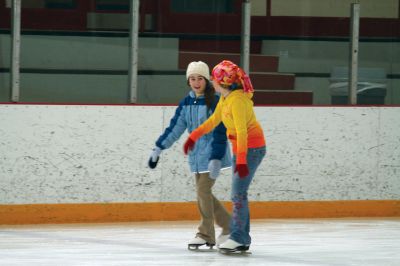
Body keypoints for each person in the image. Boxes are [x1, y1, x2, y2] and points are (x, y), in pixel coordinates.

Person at [183, 60, 266, 252]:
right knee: (239, 193)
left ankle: (238, 237)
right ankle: (241, 238)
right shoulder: (226, 98)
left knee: (237, 193)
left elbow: (242, 132)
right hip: (242, 149)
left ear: (223, 81)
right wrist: (193, 136)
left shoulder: (237, 101)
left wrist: (243, 159)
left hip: (252, 149)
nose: (212, 81)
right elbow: (214, 120)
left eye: (214, 78)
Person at [148, 61, 232, 249]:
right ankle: (229, 226)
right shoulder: (187, 102)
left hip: (212, 155)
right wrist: (159, 147)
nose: (195, 82)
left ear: (207, 80)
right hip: (197, 156)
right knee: (205, 194)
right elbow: (175, 128)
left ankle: (205, 234)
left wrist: (216, 157)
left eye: (199, 78)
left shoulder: (216, 101)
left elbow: (220, 131)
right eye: (192, 78)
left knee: (203, 191)